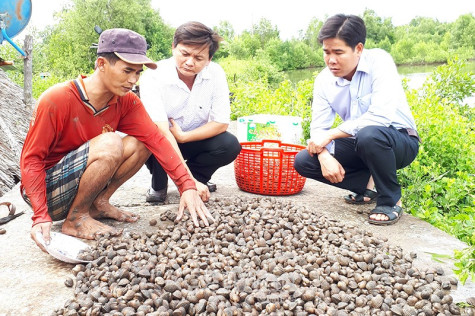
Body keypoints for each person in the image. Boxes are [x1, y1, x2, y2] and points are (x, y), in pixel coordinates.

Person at [20, 28, 213, 252]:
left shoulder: (127, 102)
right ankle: (75, 220)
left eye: (137, 73)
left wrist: (186, 186)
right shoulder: (57, 98)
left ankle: (98, 203)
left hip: (82, 185)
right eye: (127, 71)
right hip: (48, 192)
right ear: (102, 64)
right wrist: (40, 216)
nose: (133, 80)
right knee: (110, 141)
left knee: (142, 142)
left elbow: (156, 140)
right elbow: (31, 160)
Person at [294, 14, 420, 225]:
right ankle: (368, 187)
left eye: (338, 52)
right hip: (360, 142)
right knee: (304, 161)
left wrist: (331, 135)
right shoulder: (324, 80)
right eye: (326, 52)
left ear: (358, 49)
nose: (331, 60)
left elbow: (380, 116)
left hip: (399, 141)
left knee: (369, 134)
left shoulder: (379, 61)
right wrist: (324, 155)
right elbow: (318, 127)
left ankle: (391, 200)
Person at [139, 21, 241, 203]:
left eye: (198, 58)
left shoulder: (216, 74)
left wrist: (184, 137)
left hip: (192, 138)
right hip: (162, 140)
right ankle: (160, 184)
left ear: (209, 60)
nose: (189, 62)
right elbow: (161, 131)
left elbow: (221, 123)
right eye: (184, 54)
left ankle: (196, 180)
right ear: (173, 47)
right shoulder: (153, 76)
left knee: (230, 144)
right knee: (153, 149)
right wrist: (176, 139)